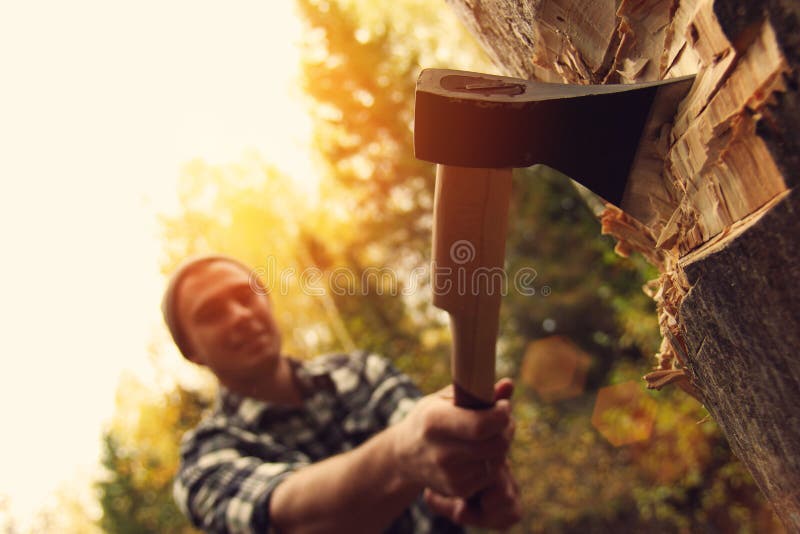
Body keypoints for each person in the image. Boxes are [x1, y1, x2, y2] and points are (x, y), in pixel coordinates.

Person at [163, 255, 521, 533]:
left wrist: (479, 472)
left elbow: (428, 437)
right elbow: (287, 518)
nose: (240, 315)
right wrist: (402, 454)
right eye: (211, 313)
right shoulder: (204, 460)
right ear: (191, 351)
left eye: (246, 295)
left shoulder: (362, 373)